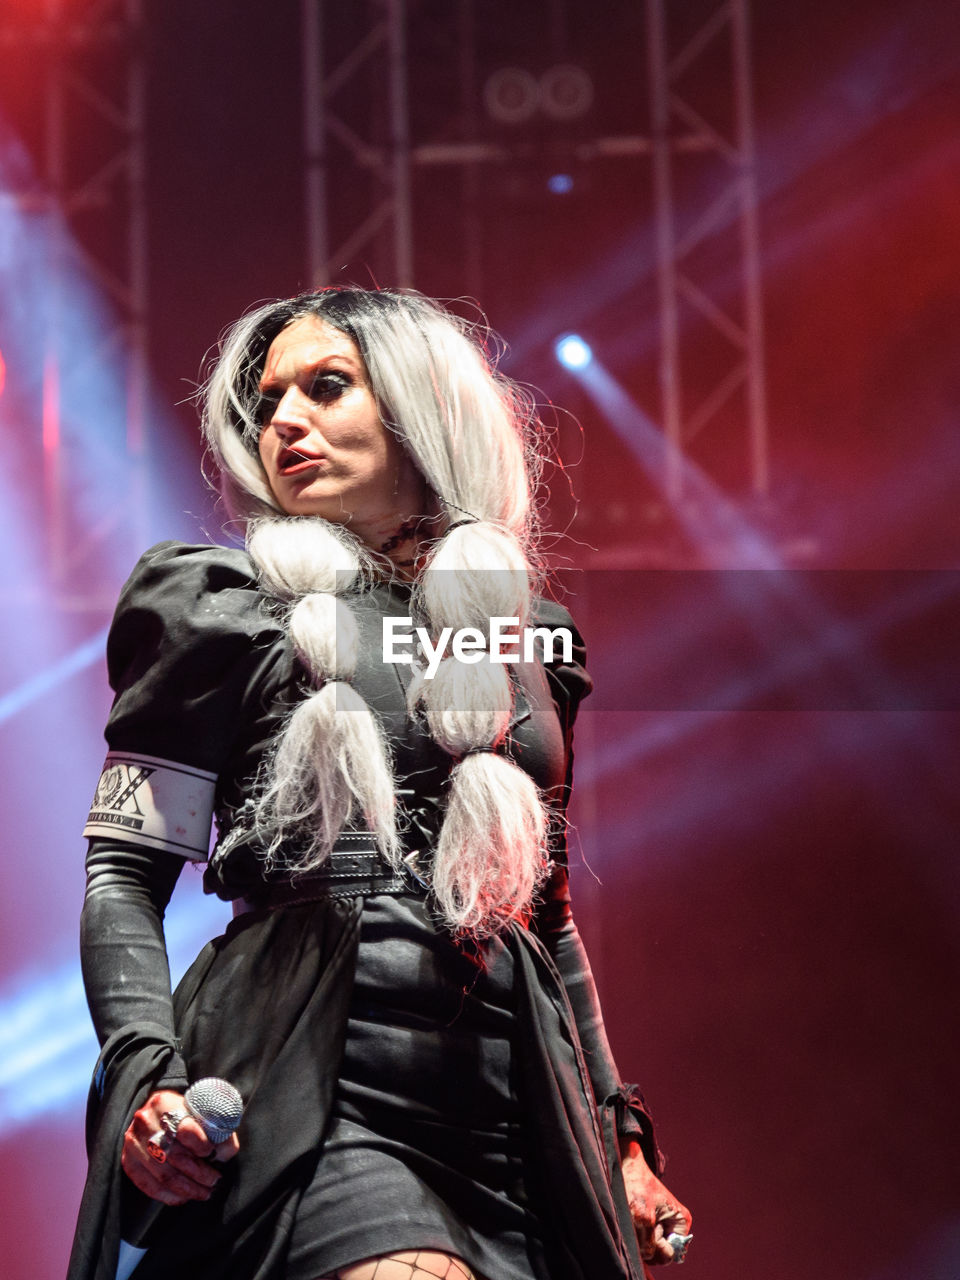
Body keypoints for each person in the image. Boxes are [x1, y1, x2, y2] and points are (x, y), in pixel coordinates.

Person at [68, 288, 692, 1280]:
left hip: (508, 1097)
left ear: (421, 410)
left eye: (325, 387)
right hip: (317, 1072)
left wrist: (615, 1134)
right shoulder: (222, 613)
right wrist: (149, 1072)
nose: (284, 420)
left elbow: (548, 913)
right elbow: (122, 877)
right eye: (267, 401)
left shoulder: (522, 639)